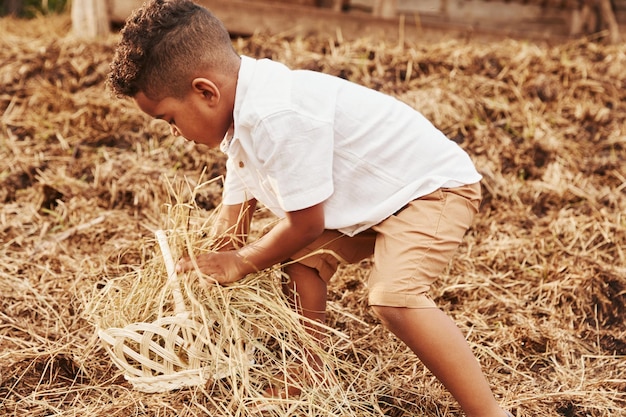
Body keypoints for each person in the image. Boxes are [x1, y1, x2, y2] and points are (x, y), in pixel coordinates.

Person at [108, 1, 512, 416]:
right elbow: (233, 223)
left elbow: (304, 224)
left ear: (205, 92)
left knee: (394, 297)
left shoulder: (275, 115)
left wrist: (241, 262)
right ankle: (309, 368)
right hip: (377, 199)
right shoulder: (242, 112)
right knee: (302, 259)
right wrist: (202, 274)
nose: (174, 132)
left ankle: (488, 412)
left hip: (430, 190)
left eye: (169, 119)